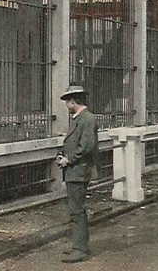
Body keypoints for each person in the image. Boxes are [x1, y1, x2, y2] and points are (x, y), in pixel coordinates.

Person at [56, 85, 99, 263]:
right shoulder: (79, 118)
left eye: (67, 101)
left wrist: (69, 160)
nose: (66, 104)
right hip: (75, 170)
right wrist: (62, 154)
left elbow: (86, 147)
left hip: (79, 170)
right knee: (76, 209)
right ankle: (80, 245)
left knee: (77, 210)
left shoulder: (87, 119)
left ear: (73, 101)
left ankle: (79, 249)